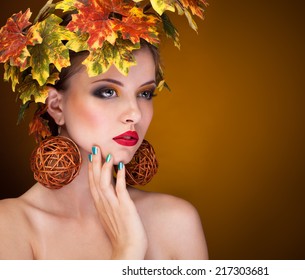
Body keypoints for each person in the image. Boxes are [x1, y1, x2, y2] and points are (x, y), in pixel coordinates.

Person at [0, 0, 208, 259]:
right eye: (108, 91)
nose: (134, 113)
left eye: (145, 93)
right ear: (56, 106)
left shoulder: (176, 222)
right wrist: (128, 251)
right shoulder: (9, 227)